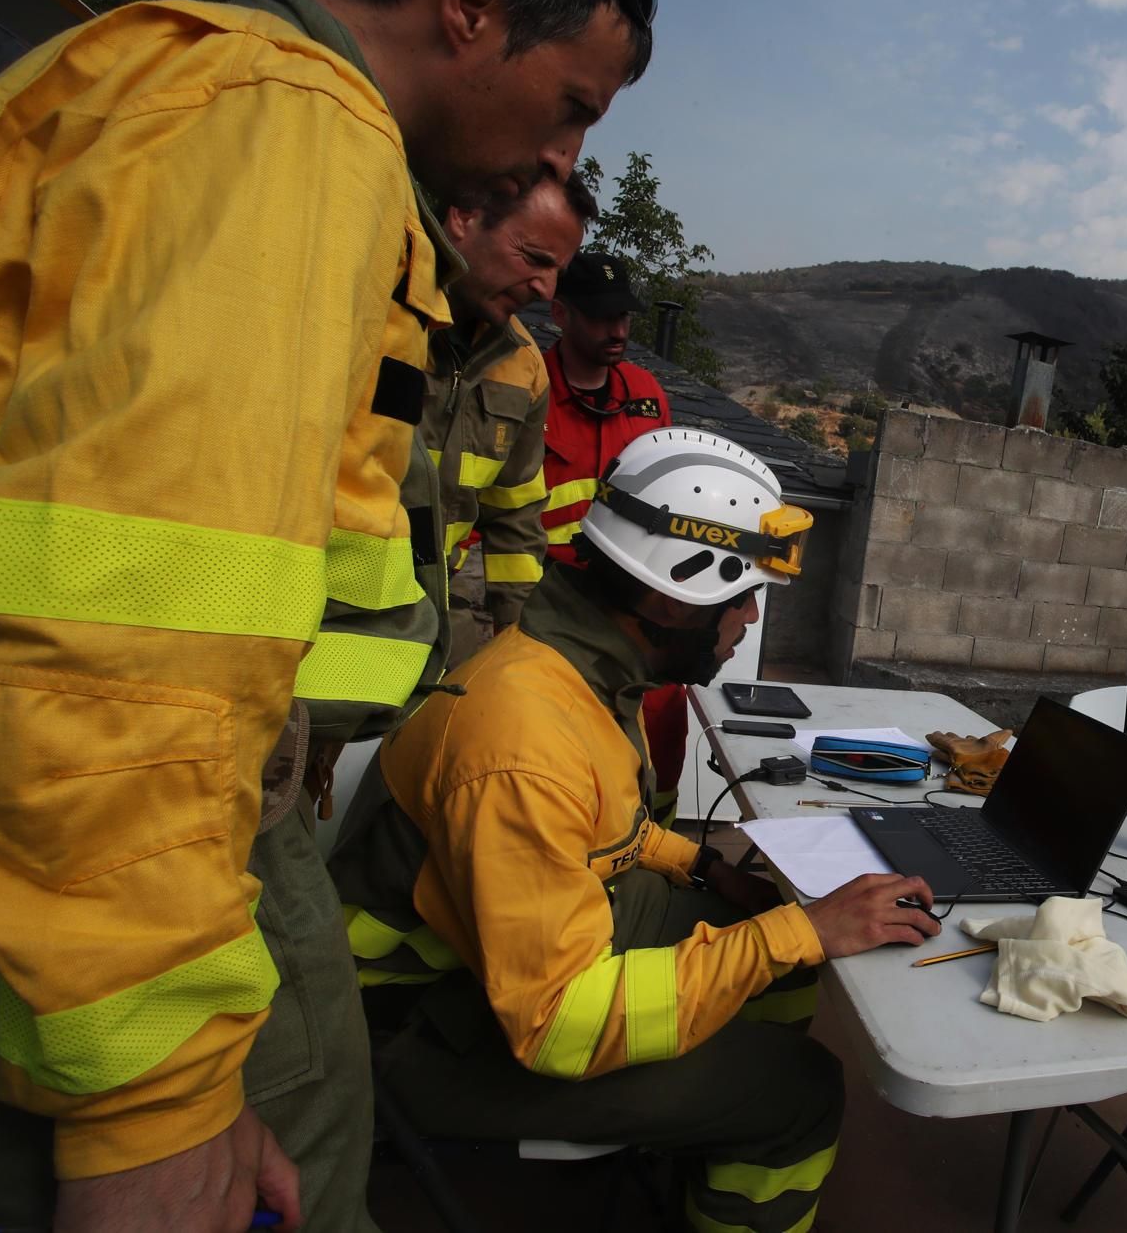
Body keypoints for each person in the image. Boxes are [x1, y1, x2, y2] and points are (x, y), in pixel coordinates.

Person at [0, 0, 655, 1230]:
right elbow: (128, 630)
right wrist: (149, 1105)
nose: (545, 161)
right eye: (569, 107)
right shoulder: (289, 125)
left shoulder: (176, 81)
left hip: (127, 816)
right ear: (470, 5)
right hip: (101, 847)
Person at [329, 428, 940, 1233]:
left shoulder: (580, 669)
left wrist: (701, 869)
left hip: (500, 957)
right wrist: (799, 932)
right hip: (420, 1027)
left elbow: (606, 829)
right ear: (670, 596)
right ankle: (745, 1116)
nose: (749, 620)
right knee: (802, 1091)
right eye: (742, 597)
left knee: (771, 945)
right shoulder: (526, 739)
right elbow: (557, 1024)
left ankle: (701, 1127)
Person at [540, 251, 693, 823]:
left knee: (661, 713)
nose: (620, 331)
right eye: (603, 318)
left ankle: (658, 839)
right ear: (561, 313)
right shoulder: (531, 388)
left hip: (634, 597)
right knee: (567, 736)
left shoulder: (645, 391)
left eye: (625, 316)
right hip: (554, 598)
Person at [422, 173, 596, 657]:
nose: (544, 289)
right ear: (463, 217)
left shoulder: (524, 366)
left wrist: (518, 652)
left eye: (556, 270)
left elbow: (515, 521)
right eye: (535, 259)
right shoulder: (368, 316)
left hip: (434, 636)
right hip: (315, 633)